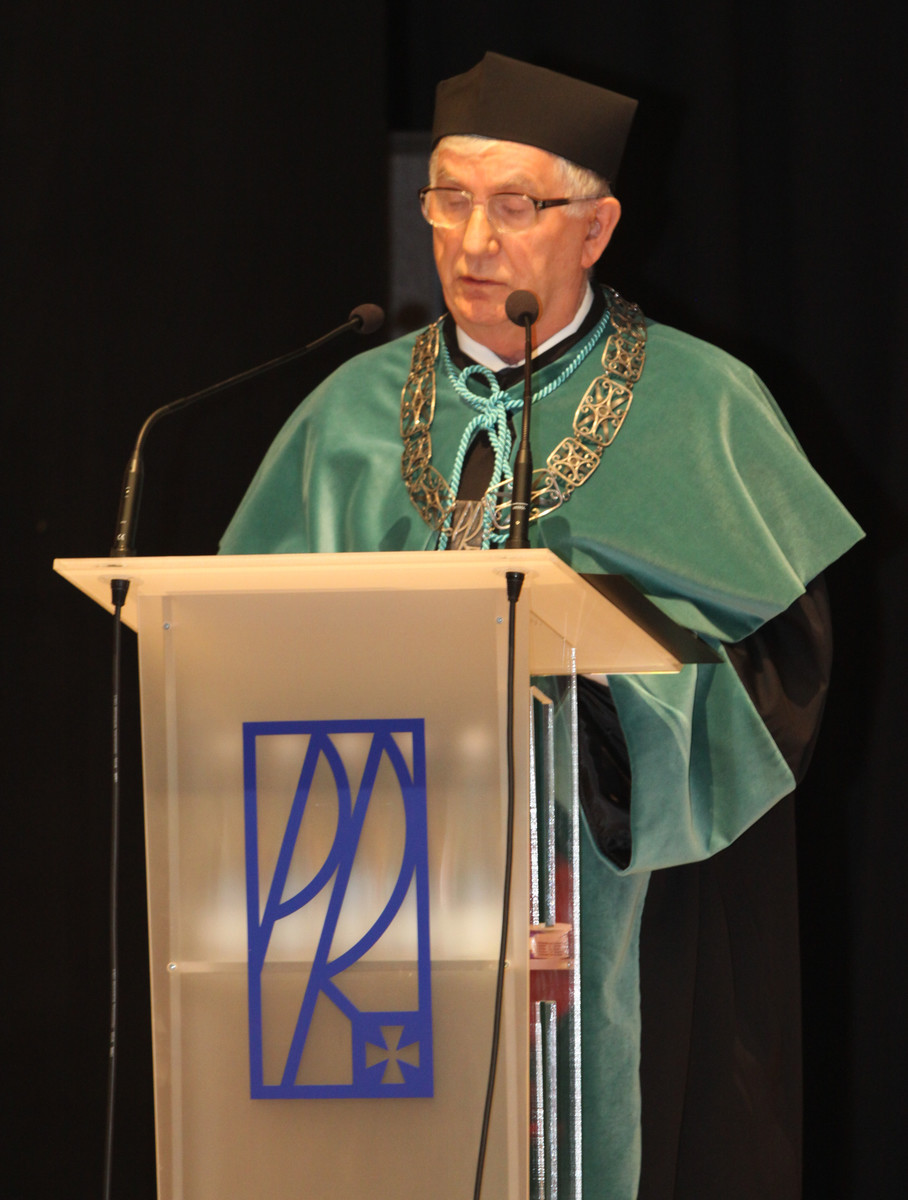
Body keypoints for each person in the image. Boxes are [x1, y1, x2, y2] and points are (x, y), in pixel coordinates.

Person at [221, 52, 863, 1200]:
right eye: (448, 201)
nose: (473, 242)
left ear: (595, 228)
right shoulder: (346, 414)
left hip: (619, 899)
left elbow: (782, 667)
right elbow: (230, 650)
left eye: (513, 206)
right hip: (369, 910)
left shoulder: (701, 405)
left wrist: (609, 709)